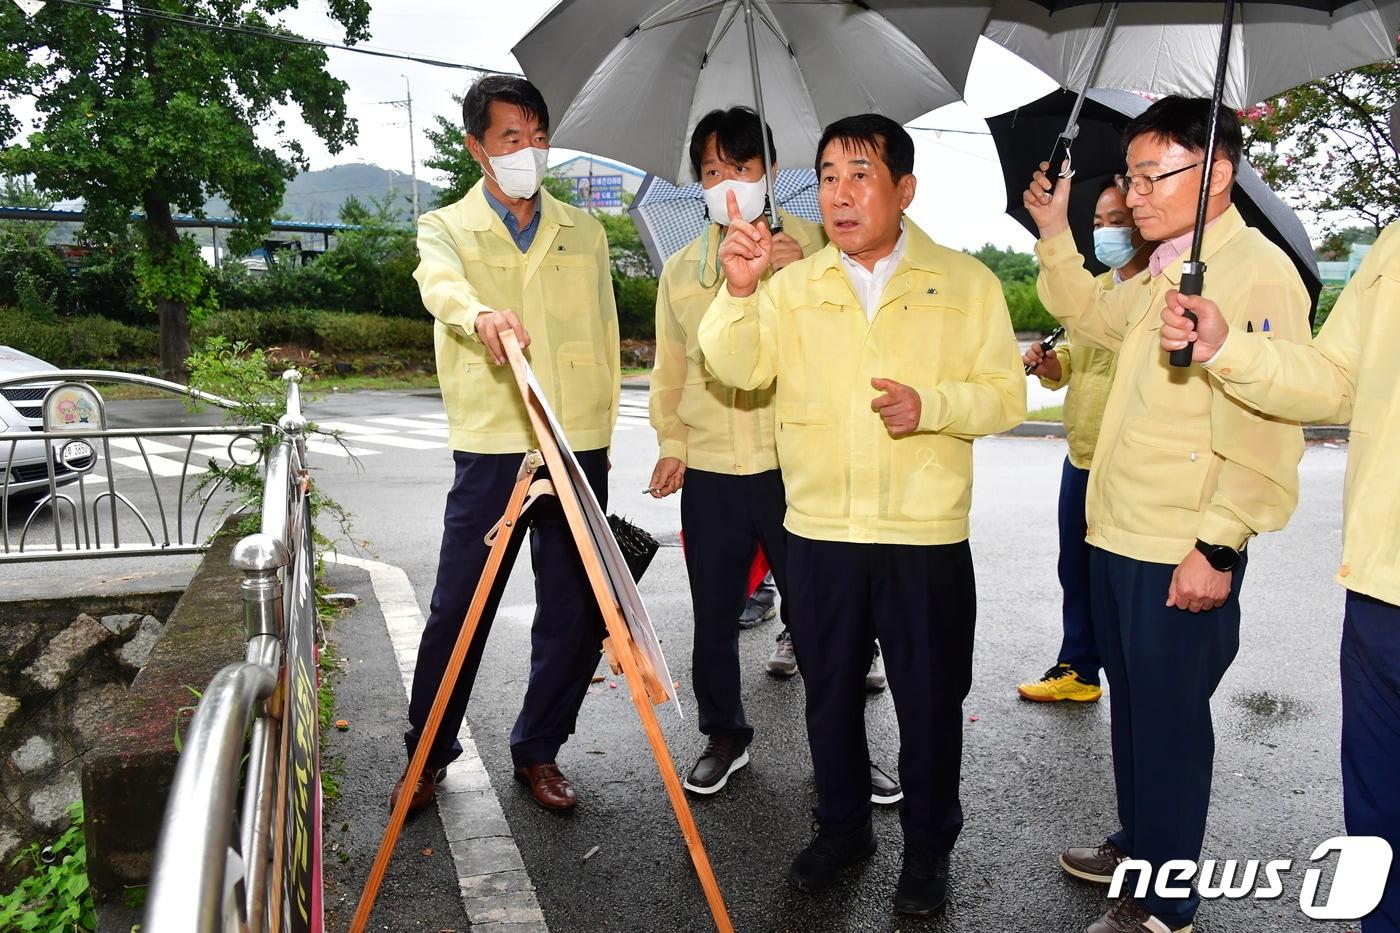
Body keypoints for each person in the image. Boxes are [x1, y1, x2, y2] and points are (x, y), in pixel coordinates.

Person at [701, 114, 1024, 916]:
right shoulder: (791, 286)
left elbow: (1007, 396)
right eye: (827, 177)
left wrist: (936, 405)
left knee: (929, 699)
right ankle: (843, 827)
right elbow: (736, 367)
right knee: (831, 694)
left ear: (903, 189)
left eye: (860, 174)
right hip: (820, 531)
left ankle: (927, 847)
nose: (840, 195)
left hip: (924, 536)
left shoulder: (966, 282)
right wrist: (738, 293)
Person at [1023, 96, 1308, 933]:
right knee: (1136, 710)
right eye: (1130, 176)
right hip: (1119, 531)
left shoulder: (1254, 274)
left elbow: (1268, 425)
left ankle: (1164, 901)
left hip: (1180, 544)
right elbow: (1087, 315)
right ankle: (1138, 844)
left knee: (1171, 724)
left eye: (1154, 175)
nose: (1136, 195)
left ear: (1217, 173)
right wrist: (1051, 226)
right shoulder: (1162, 269)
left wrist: (1218, 546)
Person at [647, 107, 898, 805]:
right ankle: (724, 735)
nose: (728, 184)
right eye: (711, 172)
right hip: (714, 471)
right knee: (712, 616)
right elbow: (670, 371)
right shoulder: (681, 272)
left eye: (742, 167)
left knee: (825, 615)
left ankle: (844, 749)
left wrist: (815, 266)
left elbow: (862, 333)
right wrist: (673, 444)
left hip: (798, 466)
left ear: (772, 173)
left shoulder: (822, 245)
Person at [1160, 216, 1400, 932]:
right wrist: (1228, 347)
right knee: (1379, 818)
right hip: (1379, 594)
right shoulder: (1394, 242)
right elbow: (1336, 379)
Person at [397, 75, 619, 816]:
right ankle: (427, 756)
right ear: (477, 148)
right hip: (494, 441)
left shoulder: (584, 230)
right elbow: (439, 285)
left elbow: (609, 337)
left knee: (576, 607)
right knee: (461, 605)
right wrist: (481, 313)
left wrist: (604, 436)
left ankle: (541, 749)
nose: (529, 152)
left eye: (538, 137)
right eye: (511, 139)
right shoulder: (446, 227)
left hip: (574, 440)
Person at [1017, 181, 1153, 704]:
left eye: (1116, 220)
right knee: (1074, 566)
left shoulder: (1158, 291)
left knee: (1120, 580)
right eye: (1096, 222)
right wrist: (1054, 366)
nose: (1104, 231)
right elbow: (1076, 359)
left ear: (1142, 223)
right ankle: (1077, 667)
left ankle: (1134, 675)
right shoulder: (1092, 289)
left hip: (1127, 463)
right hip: (1082, 454)